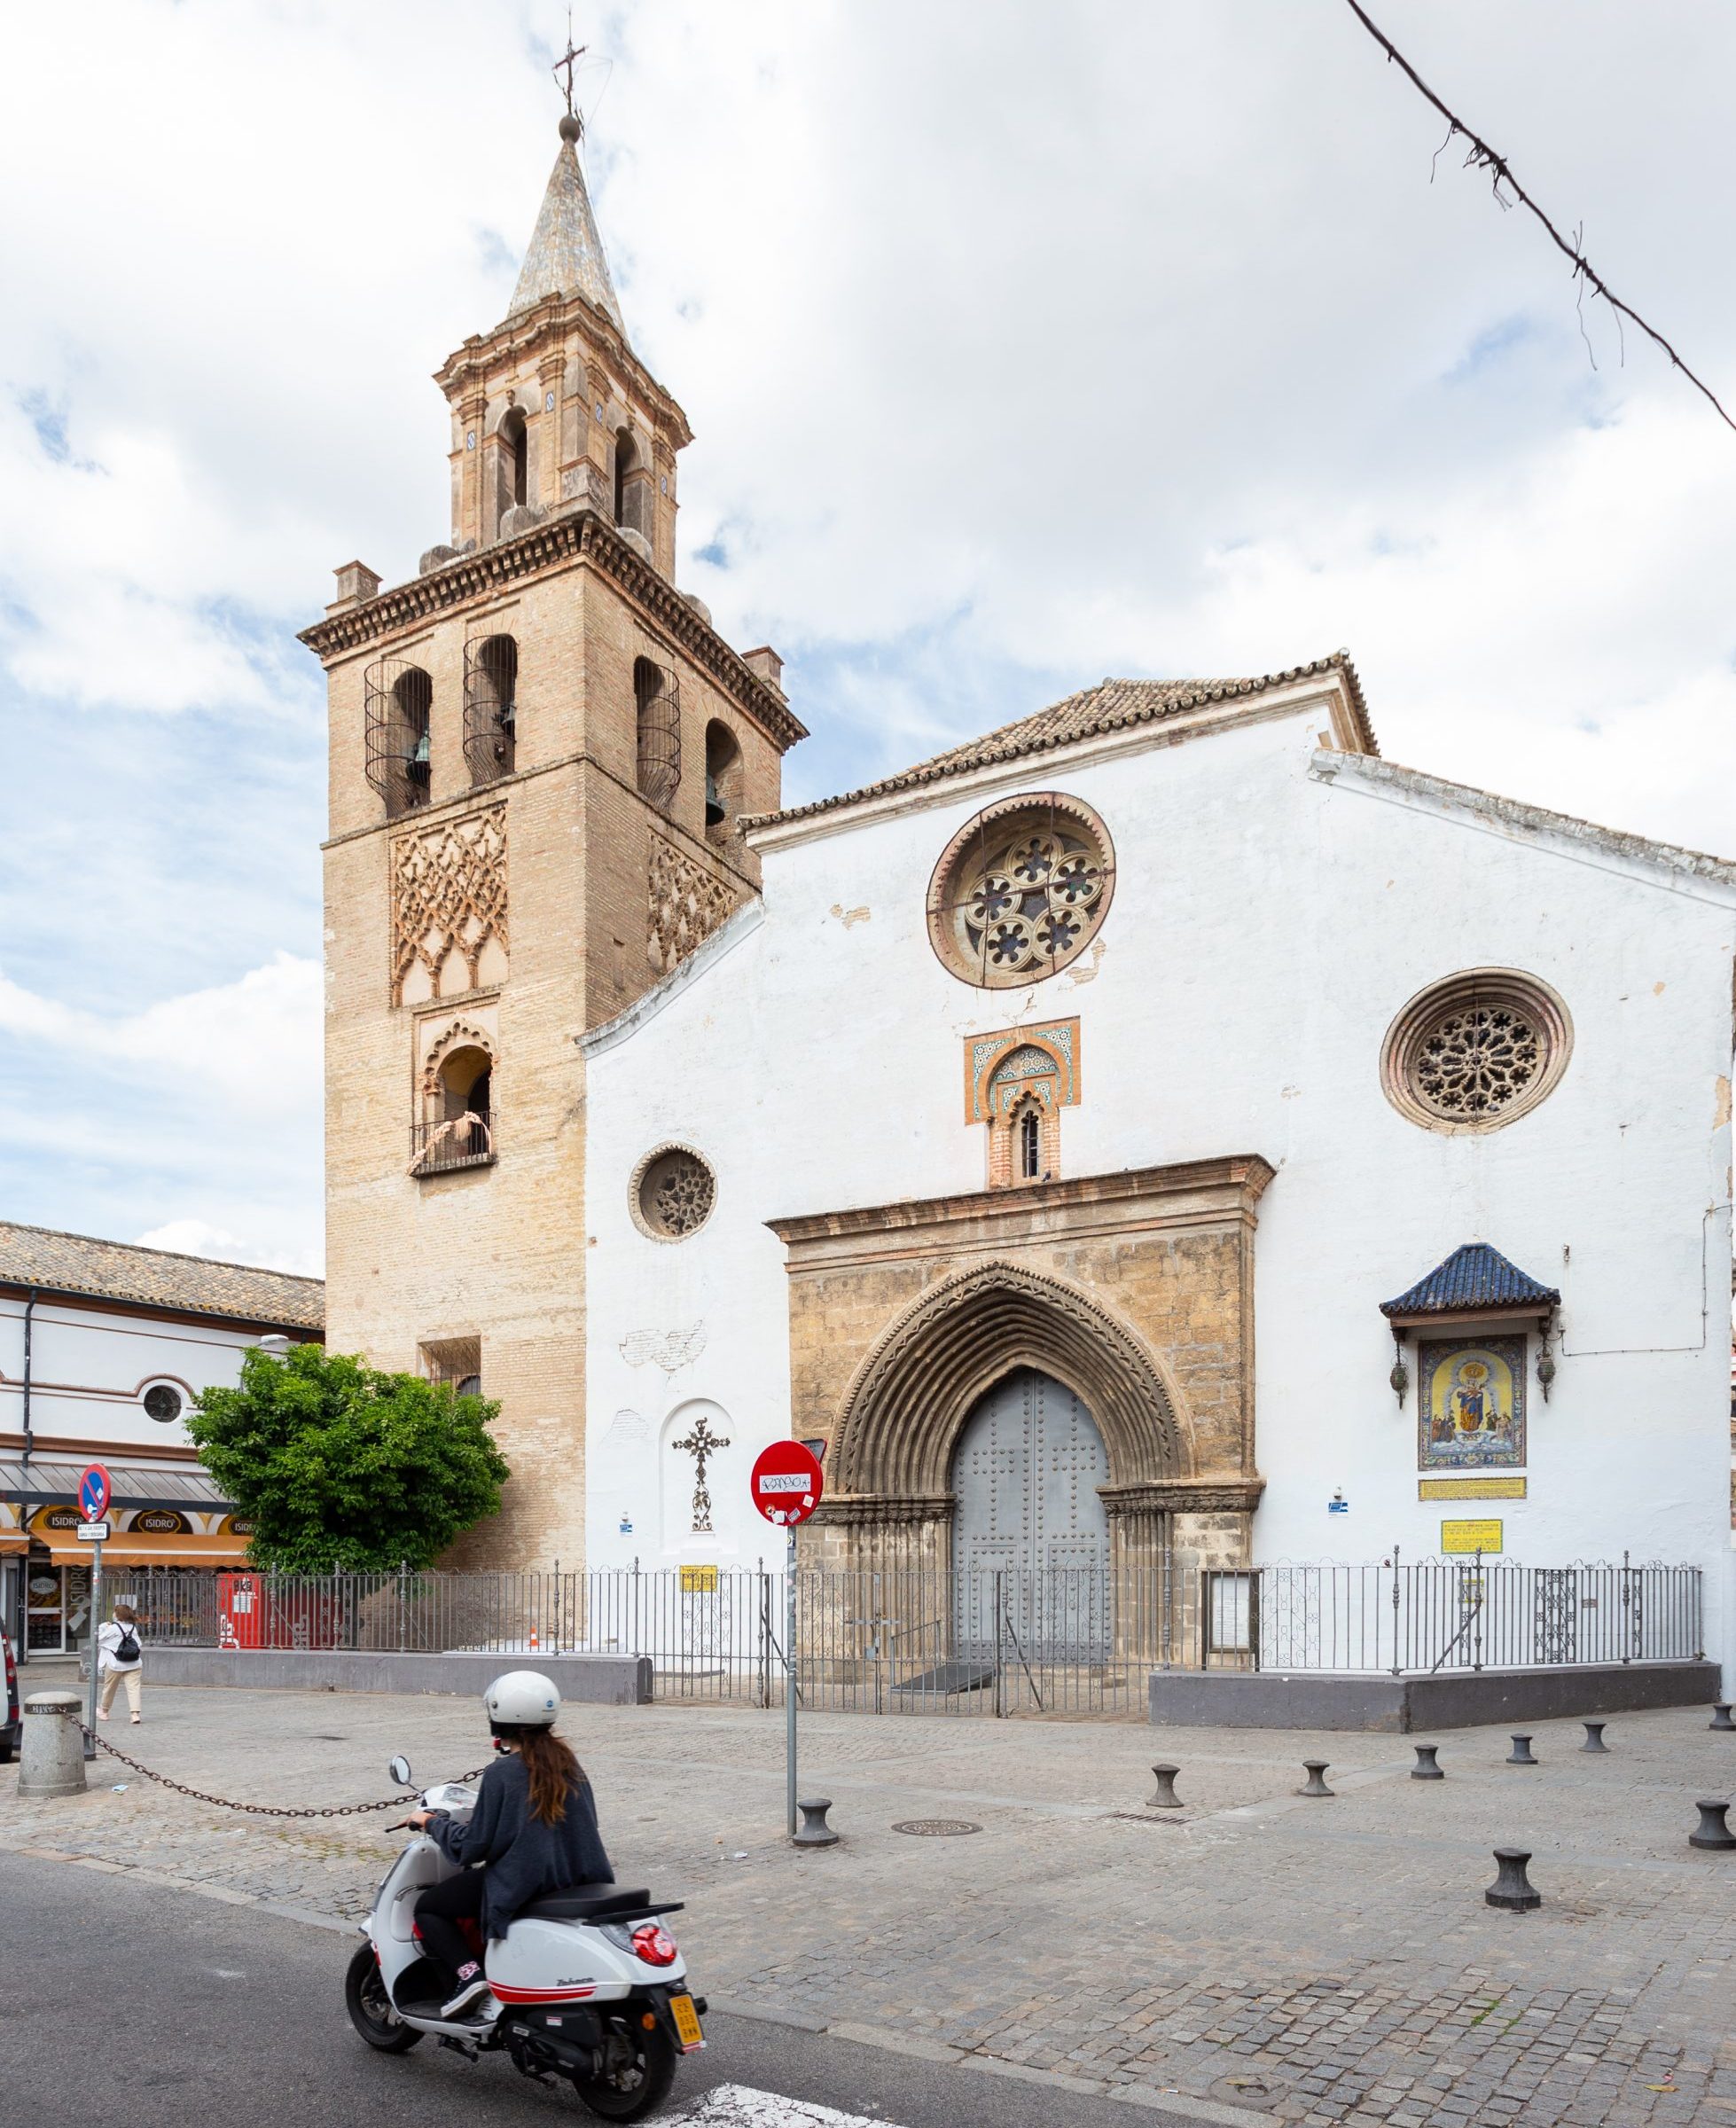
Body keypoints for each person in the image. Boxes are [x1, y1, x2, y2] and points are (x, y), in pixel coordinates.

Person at [407, 1670, 613, 2021]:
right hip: (575, 1879)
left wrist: (430, 1822)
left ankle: (470, 1976)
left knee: (429, 1907)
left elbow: (473, 1847)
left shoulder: (502, 1773)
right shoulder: (568, 1764)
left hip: (525, 1885)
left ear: (498, 1718)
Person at [95, 1602, 144, 1725]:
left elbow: (97, 1640)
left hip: (115, 1663)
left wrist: (103, 1626)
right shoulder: (133, 1628)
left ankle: (104, 1712)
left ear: (117, 1614)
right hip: (134, 1663)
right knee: (134, 1688)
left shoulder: (112, 1628)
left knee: (110, 1688)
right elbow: (138, 1645)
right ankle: (135, 1714)